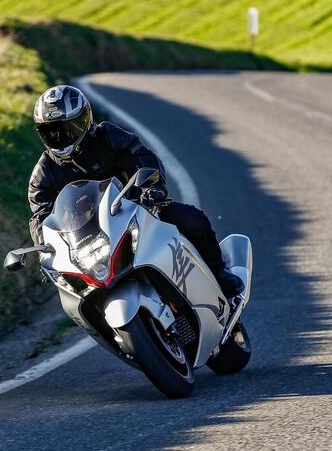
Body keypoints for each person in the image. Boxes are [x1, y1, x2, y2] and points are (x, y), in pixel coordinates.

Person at [27, 85, 244, 298]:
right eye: (50, 132)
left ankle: (219, 274)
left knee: (193, 219)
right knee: (75, 292)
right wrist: (46, 248)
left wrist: (153, 187)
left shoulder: (107, 135)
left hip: (137, 210)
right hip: (86, 238)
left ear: (84, 120)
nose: (60, 137)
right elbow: (40, 216)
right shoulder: (43, 173)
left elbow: (141, 155)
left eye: (67, 128)